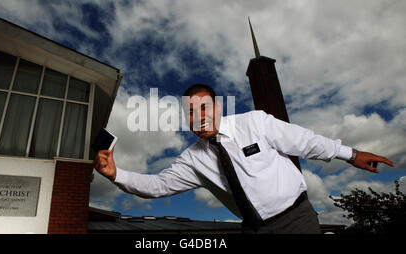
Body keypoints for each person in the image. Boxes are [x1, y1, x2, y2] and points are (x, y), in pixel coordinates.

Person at [94, 84, 395, 234]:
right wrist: (115, 175)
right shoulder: (192, 159)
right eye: (190, 112)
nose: (199, 117)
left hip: (297, 219)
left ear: (217, 107)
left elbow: (306, 143)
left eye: (204, 108)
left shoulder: (254, 123)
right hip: (254, 229)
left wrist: (351, 154)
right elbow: (157, 186)